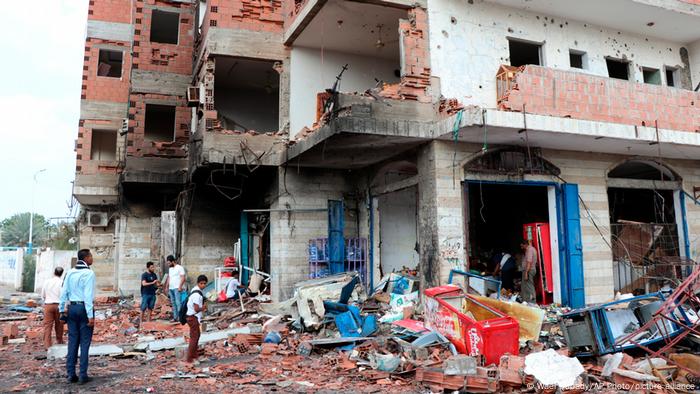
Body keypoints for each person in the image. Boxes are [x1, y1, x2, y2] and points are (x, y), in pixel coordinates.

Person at [59, 249, 96, 385]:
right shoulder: (89, 273)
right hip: (84, 309)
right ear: (86, 258)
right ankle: (83, 375)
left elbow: (63, 292)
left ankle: (70, 374)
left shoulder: (70, 272)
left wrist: (62, 310)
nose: (92, 258)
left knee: (72, 341)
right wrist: (90, 315)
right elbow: (88, 295)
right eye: (91, 256)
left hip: (72, 308)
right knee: (85, 343)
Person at [186, 275, 208, 364]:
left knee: (196, 337)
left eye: (204, 284)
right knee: (194, 338)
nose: (203, 285)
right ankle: (190, 359)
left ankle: (195, 356)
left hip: (192, 317)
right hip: (193, 317)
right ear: (198, 283)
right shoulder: (196, 294)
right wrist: (203, 308)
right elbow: (196, 308)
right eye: (201, 283)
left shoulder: (195, 291)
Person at [41, 266, 65, 349]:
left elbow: (43, 294)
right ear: (62, 274)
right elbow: (63, 295)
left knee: (48, 325)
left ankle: (47, 345)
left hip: (48, 305)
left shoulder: (47, 282)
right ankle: (59, 341)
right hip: (59, 305)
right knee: (59, 324)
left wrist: (46, 299)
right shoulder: (62, 282)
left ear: (54, 272)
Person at [163, 255, 186, 322]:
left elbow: (183, 278)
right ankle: (175, 317)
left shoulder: (180, 267)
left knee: (178, 303)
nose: (168, 264)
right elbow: (169, 278)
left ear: (173, 261)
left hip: (177, 288)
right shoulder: (170, 269)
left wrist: (180, 287)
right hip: (171, 288)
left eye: (169, 263)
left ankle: (180, 318)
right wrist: (167, 287)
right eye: (167, 263)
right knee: (173, 303)